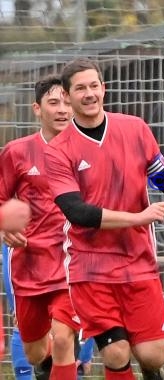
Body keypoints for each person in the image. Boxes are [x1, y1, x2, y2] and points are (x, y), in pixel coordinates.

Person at [44, 57, 164, 380]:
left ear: (104, 88)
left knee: (154, 355)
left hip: (138, 261)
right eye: (80, 88)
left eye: (93, 86)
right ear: (67, 95)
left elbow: (163, 178)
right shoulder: (58, 150)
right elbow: (78, 212)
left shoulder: (134, 128)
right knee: (116, 353)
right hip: (91, 267)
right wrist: (137, 217)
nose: (88, 94)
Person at [0, 74, 81, 380]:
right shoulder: (16, 152)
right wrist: (5, 225)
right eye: (53, 102)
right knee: (36, 350)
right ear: (37, 109)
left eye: (66, 102)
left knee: (63, 338)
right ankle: (48, 367)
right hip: (29, 262)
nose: (62, 109)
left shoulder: (84, 149)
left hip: (73, 261)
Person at [1, 243, 95, 380]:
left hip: (65, 276)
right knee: (34, 354)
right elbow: (8, 250)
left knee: (63, 338)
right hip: (30, 278)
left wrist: (86, 350)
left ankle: (73, 353)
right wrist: (15, 307)